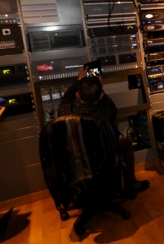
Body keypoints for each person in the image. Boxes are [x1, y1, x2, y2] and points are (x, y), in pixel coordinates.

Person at [57, 67, 149, 198]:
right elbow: (110, 105)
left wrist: (79, 80)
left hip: (79, 164)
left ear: (78, 95)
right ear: (100, 95)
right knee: (127, 143)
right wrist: (99, 87)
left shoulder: (65, 114)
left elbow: (65, 99)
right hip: (103, 159)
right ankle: (130, 184)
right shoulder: (106, 114)